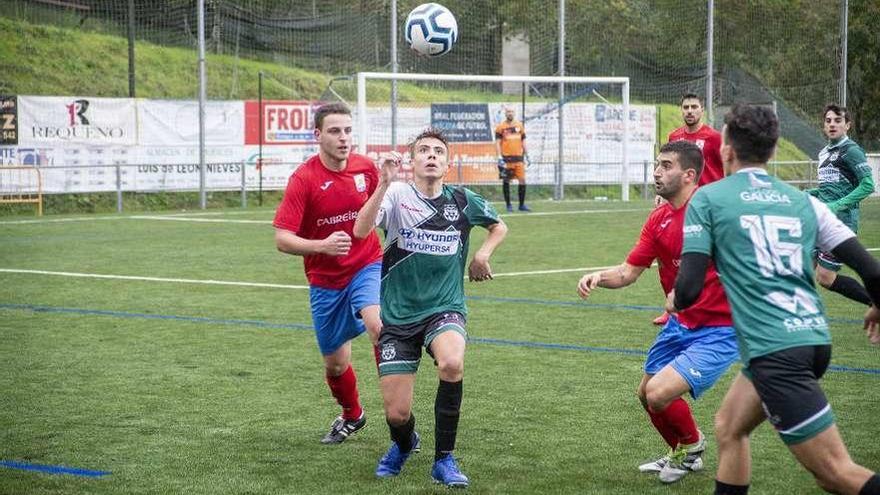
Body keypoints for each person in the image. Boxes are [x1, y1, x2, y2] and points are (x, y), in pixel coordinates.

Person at [670, 103, 880, 495]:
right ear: (772, 151)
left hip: (776, 352)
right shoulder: (805, 201)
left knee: (836, 473)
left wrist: (675, 299)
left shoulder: (708, 199)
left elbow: (688, 291)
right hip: (812, 338)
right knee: (729, 428)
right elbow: (873, 271)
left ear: (726, 148)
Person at [577, 140, 738, 484]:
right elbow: (628, 272)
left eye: (666, 166)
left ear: (689, 175)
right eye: (656, 165)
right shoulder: (659, 219)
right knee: (645, 395)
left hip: (719, 328)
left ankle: (692, 448)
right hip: (680, 324)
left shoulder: (716, 213)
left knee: (659, 393)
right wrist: (598, 277)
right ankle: (684, 451)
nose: (656, 172)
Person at [354, 128, 508, 488]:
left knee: (453, 362)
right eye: (423, 150)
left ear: (448, 162)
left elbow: (499, 226)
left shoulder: (462, 199)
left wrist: (482, 254)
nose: (431, 156)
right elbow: (362, 231)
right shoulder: (395, 194)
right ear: (412, 161)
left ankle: (444, 460)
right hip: (398, 314)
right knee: (397, 413)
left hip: (445, 307)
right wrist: (381, 184)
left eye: (438, 151)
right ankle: (405, 444)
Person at [273, 102, 382, 445]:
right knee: (335, 365)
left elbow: (384, 209)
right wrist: (321, 246)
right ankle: (353, 414)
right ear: (318, 135)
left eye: (348, 130)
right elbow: (282, 239)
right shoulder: (303, 179)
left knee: (379, 326)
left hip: (367, 264)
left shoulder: (367, 168)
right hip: (326, 282)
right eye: (335, 131)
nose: (344, 138)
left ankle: (400, 416)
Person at [653, 93, 725, 326]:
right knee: (664, 256)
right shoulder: (675, 137)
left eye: (694, 107)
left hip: (707, 208)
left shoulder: (714, 138)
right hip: (679, 206)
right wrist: (660, 193)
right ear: (681, 109)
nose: (690, 111)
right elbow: (668, 168)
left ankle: (712, 307)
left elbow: (726, 168)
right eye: (686, 107)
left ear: (702, 110)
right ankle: (670, 305)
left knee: (706, 260)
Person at [807, 103, 875, 306]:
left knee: (825, 277)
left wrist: (837, 205)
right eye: (828, 121)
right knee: (800, 266)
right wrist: (809, 193)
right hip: (820, 218)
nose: (832, 124)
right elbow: (828, 189)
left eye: (838, 120)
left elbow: (868, 185)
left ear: (848, 125)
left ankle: (875, 303)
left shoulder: (851, 151)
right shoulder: (823, 153)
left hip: (841, 222)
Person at [495, 106, 530, 213]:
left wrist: (527, 154)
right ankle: (508, 205)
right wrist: (499, 156)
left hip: (519, 158)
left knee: (522, 180)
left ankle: (521, 205)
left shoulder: (519, 126)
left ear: (514, 113)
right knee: (506, 181)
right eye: (508, 112)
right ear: (505, 114)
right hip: (506, 159)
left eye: (512, 112)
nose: (510, 113)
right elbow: (497, 143)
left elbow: (523, 141)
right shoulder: (500, 127)